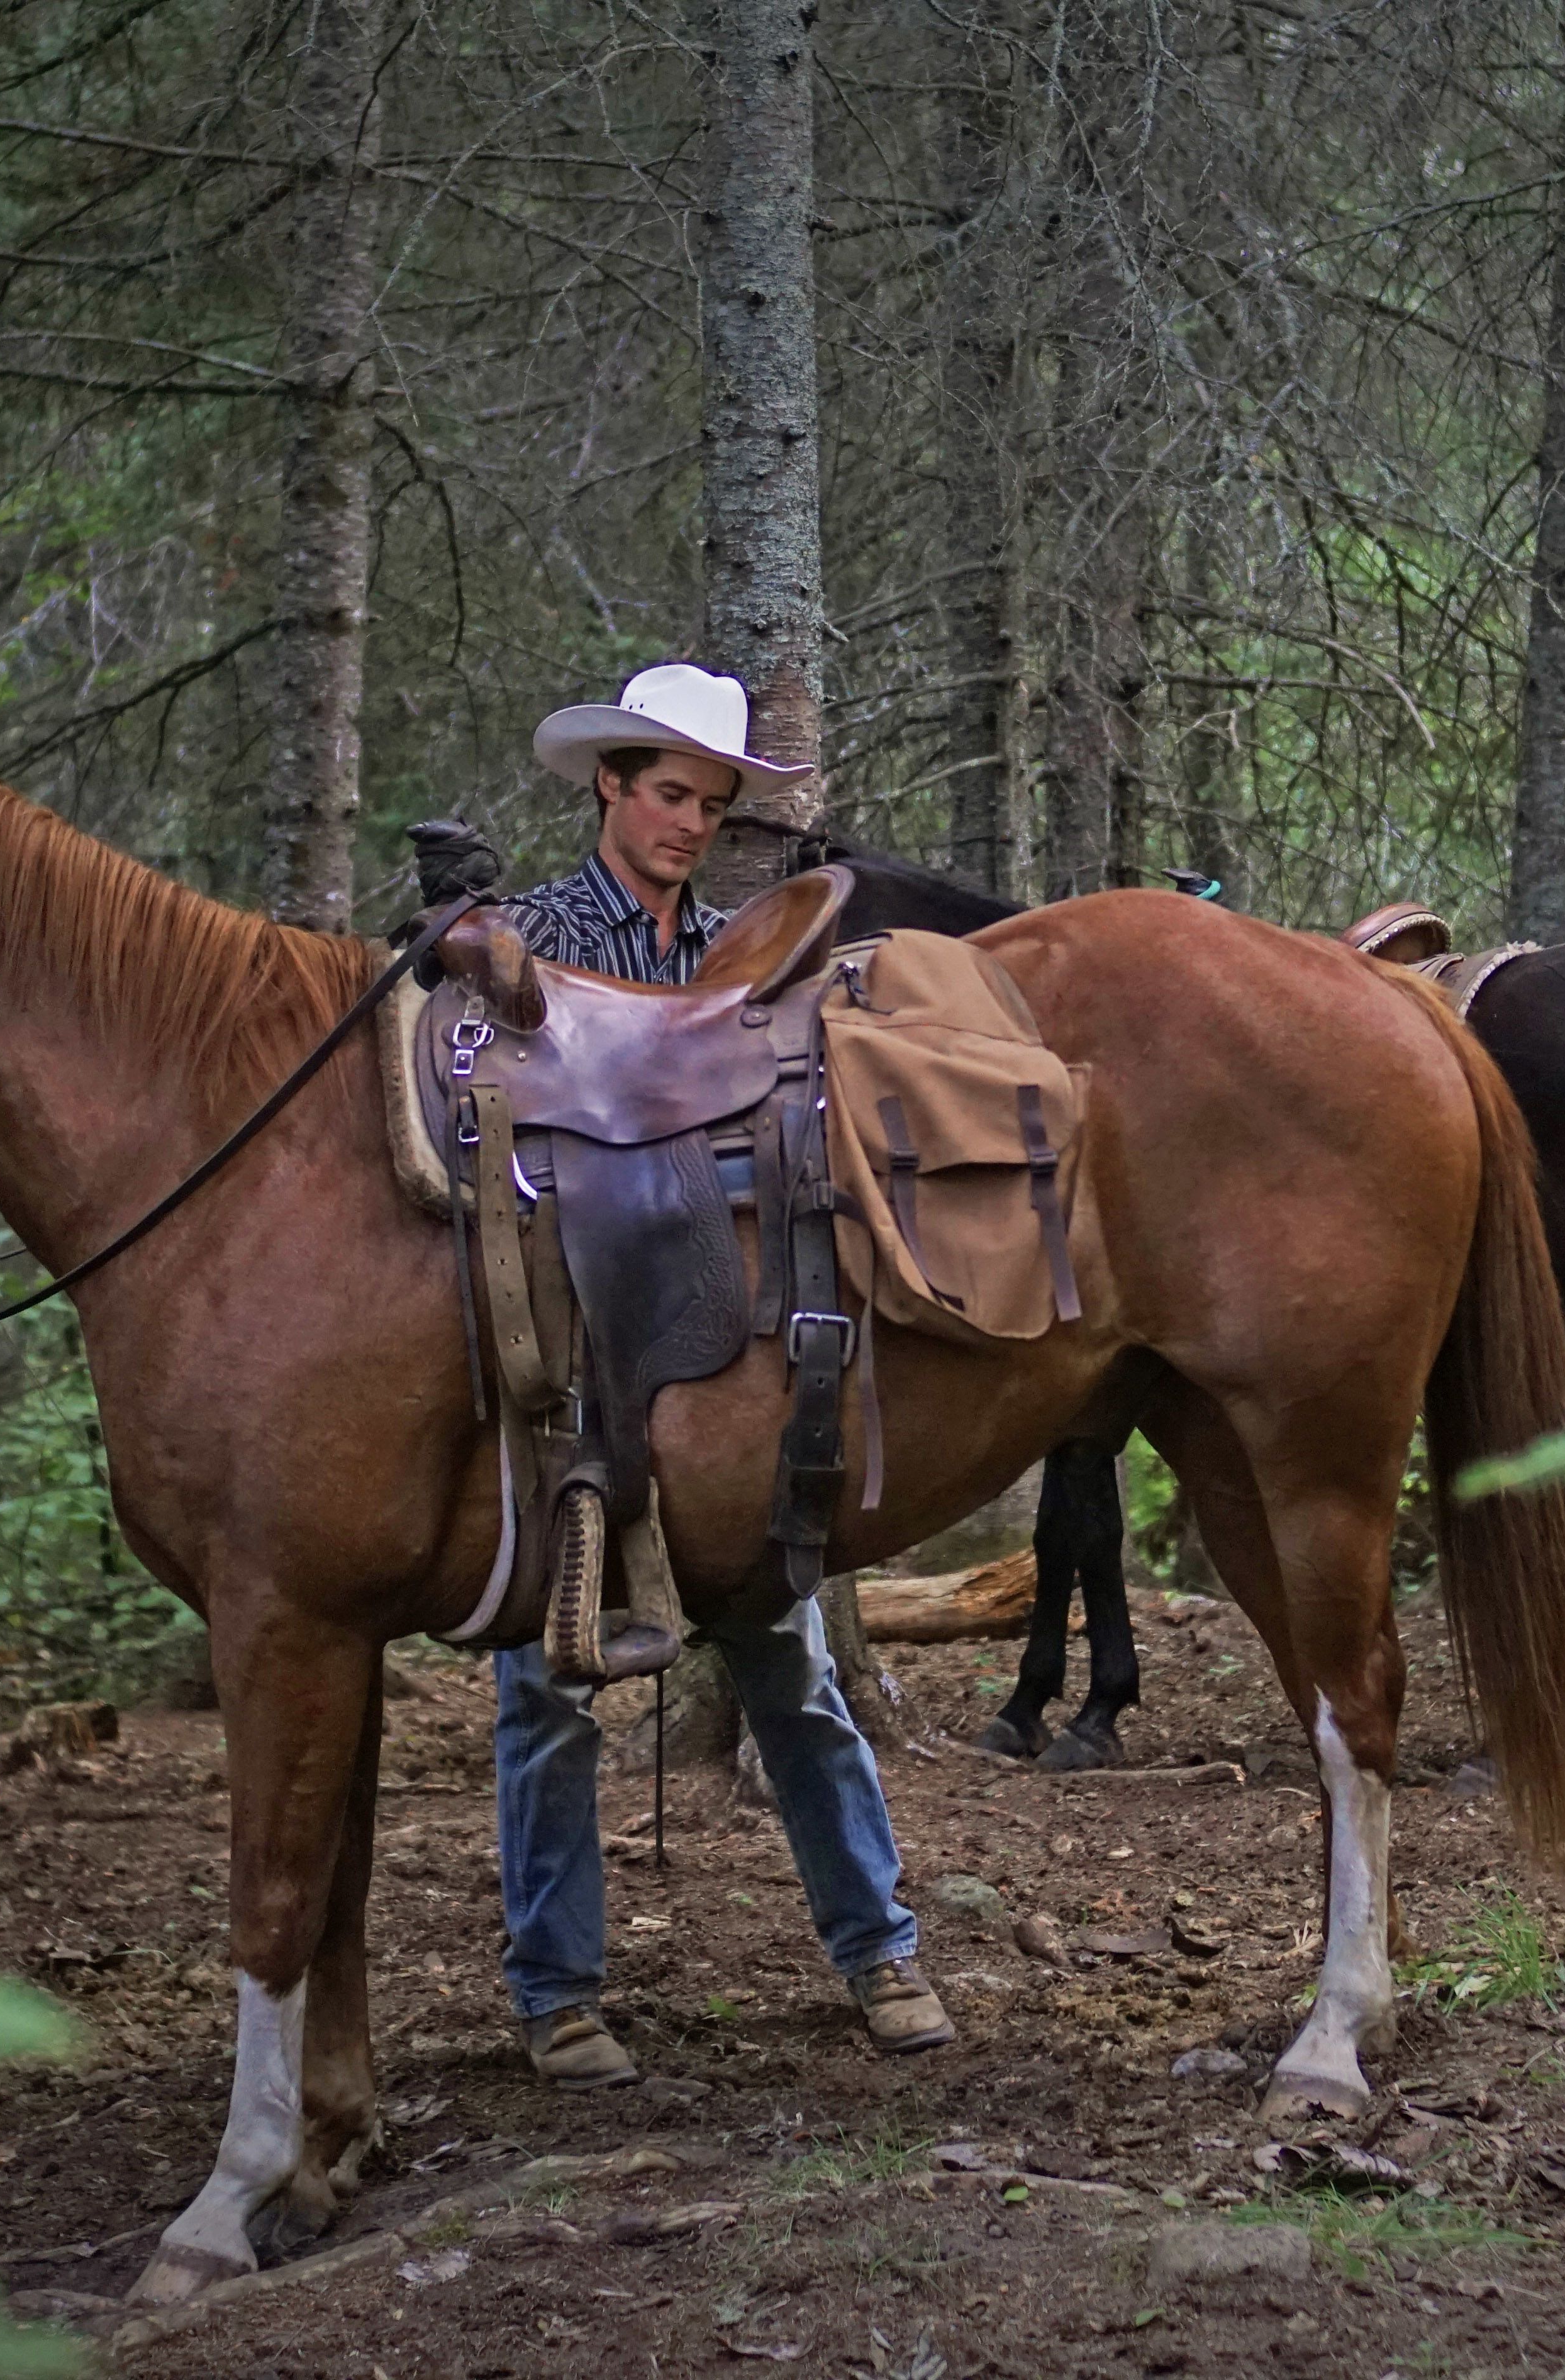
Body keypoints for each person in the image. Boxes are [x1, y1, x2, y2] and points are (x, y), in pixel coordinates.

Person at [487, 662, 954, 2088]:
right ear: (613, 788)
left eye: (712, 800)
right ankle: (558, 1987)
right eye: (671, 792)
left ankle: (880, 1948)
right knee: (545, 1683)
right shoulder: (541, 937)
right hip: (567, 1375)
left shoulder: (749, 956)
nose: (691, 820)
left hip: (742, 1377)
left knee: (792, 1661)